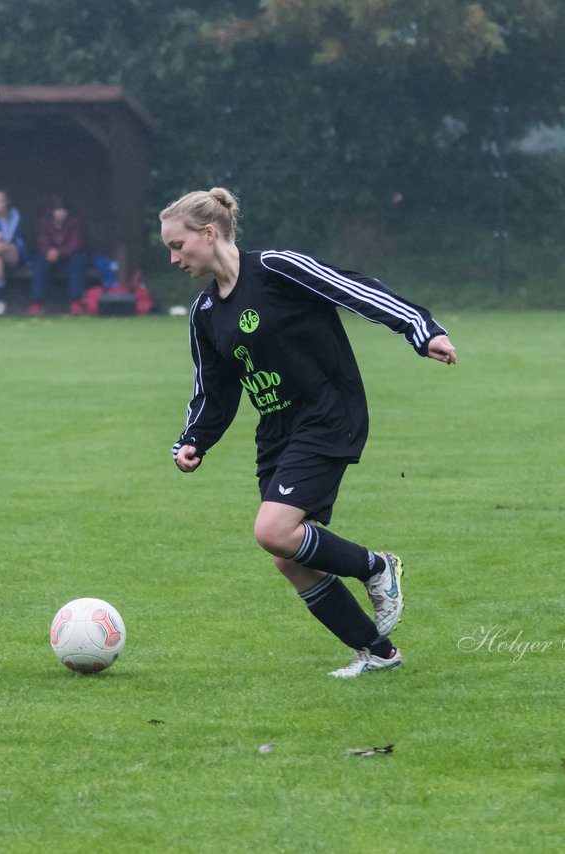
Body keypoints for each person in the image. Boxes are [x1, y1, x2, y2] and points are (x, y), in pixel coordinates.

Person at [161, 188, 457, 679]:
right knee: (288, 555)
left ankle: (377, 568)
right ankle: (377, 653)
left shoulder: (276, 268)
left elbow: (352, 288)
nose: (173, 258)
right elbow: (213, 389)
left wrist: (420, 329)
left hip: (326, 413)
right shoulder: (204, 313)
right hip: (276, 432)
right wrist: (194, 438)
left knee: (273, 531)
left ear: (208, 234)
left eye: (177, 245)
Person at [28, 195, 85, 316]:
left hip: (69, 255)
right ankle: (36, 303)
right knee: (39, 263)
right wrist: (48, 251)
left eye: (63, 210)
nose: (61, 213)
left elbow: (76, 243)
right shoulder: (44, 223)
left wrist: (60, 252)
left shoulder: (74, 222)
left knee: (78, 261)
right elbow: (41, 241)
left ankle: (75, 302)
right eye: (58, 210)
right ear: (52, 212)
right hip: (49, 255)